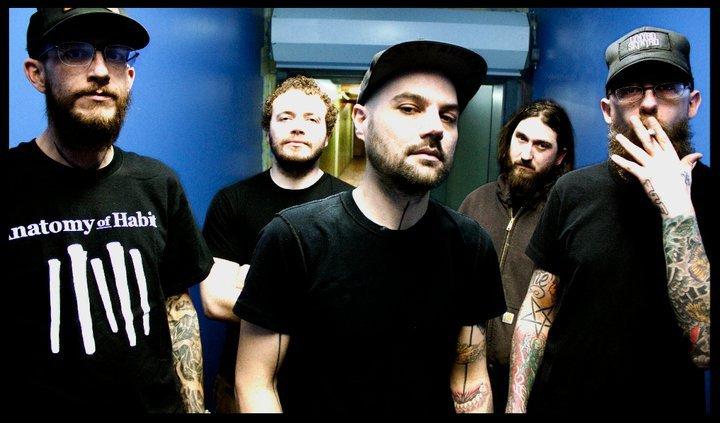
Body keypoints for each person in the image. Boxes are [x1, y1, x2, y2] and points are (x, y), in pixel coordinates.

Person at [232, 40, 506, 415]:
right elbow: (255, 382)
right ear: (361, 121)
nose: (435, 128)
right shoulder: (294, 238)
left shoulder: (470, 245)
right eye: (409, 108)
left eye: (448, 116)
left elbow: (469, 378)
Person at [8, 8, 213, 412]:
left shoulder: (158, 183)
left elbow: (176, 303)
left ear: (129, 76)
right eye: (75, 52)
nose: (101, 71)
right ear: (37, 73)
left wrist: (194, 407)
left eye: (116, 54)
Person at [506, 26, 712, 414]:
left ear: (693, 103)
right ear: (607, 110)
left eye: (667, 87)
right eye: (630, 90)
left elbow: (705, 349)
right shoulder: (571, 190)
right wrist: (516, 406)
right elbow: (537, 313)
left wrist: (677, 210)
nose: (648, 103)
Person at [200, 75, 353, 413]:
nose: (297, 127)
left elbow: (356, 307)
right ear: (267, 130)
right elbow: (215, 300)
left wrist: (256, 285)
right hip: (238, 386)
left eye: (311, 119)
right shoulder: (232, 202)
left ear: (327, 135)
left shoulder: (350, 205)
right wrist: (315, 298)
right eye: (285, 117)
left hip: (327, 386)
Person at [458, 99, 574, 412]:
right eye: (521, 139)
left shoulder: (563, 216)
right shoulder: (475, 203)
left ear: (560, 156)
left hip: (535, 387)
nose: (525, 154)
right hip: (470, 377)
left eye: (541, 145)